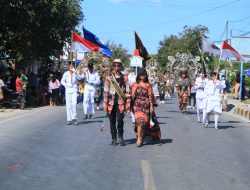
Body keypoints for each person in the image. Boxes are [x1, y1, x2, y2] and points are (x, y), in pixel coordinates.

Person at [103, 59, 130, 146]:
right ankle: (114, 138)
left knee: (120, 120)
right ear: (113, 66)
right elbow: (106, 91)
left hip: (120, 102)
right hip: (111, 102)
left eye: (118, 65)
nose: (116, 67)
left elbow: (128, 91)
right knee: (112, 121)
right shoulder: (109, 78)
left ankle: (121, 137)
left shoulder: (125, 78)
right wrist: (105, 103)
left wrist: (128, 101)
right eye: (115, 65)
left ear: (121, 67)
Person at [131, 68, 154, 147]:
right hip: (137, 105)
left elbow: (150, 96)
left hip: (145, 105)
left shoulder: (148, 85)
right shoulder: (135, 85)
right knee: (140, 122)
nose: (142, 76)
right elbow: (131, 95)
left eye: (144, 74)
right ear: (138, 75)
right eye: (141, 74)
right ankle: (139, 138)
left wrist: (151, 106)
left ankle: (140, 135)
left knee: (143, 123)